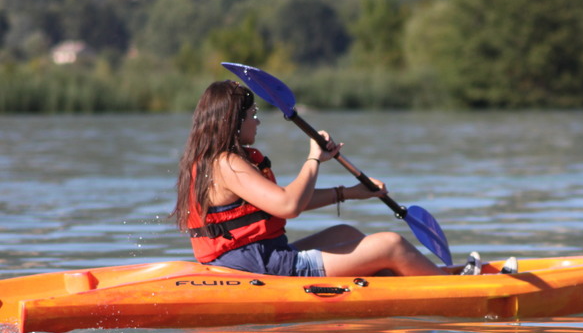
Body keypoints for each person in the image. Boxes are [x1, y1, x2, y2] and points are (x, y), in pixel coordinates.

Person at [173, 80, 453, 278]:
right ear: (233, 121)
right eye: (252, 115)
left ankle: (398, 286)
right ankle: (449, 290)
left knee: (347, 234)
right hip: (257, 266)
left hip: (254, 257)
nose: (257, 122)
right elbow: (288, 206)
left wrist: (348, 192)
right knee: (390, 244)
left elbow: (276, 203)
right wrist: (314, 158)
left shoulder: (219, 160)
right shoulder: (226, 162)